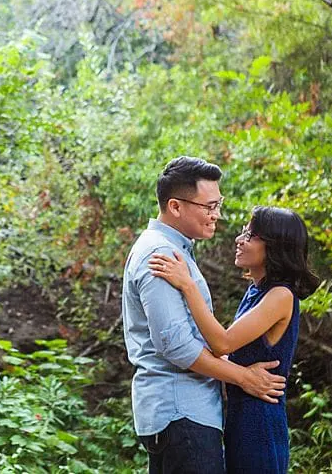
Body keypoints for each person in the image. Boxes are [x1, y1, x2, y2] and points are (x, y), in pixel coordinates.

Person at [122, 156, 287, 474]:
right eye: (209, 207)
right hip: (181, 412)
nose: (217, 215)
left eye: (218, 204)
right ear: (175, 206)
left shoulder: (175, 250)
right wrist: (244, 378)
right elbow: (177, 346)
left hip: (186, 413)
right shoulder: (161, 254)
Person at [149, 206, 319, 473]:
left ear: (275, 246)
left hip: (260, 421)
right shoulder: (256, 291)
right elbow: (232, 352)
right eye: (243, 232)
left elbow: (222, 343)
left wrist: (187, 285)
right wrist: (240, 373)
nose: (239, 240)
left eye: (250, 236)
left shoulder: (281, 295)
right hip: (241, 416)